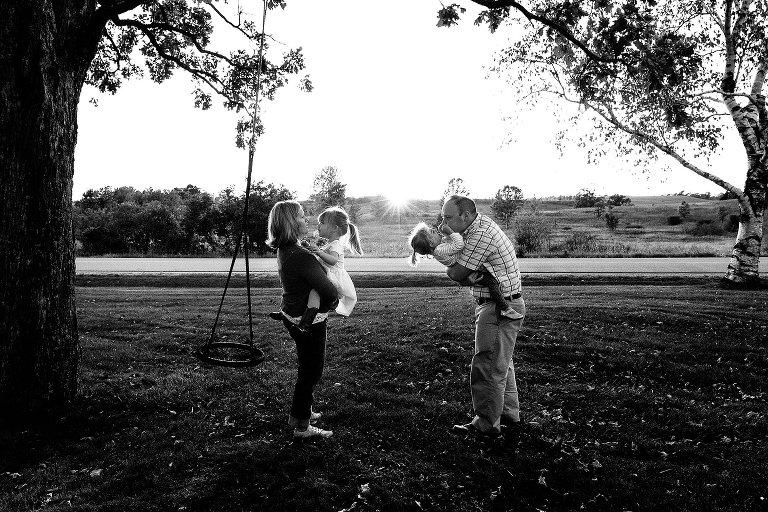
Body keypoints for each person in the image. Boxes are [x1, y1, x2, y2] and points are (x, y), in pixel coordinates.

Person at [440, 195, 526, 437]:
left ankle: (486, 425)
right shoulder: (477, 227)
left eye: (448, 218)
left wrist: (458, 272)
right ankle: (508, 415)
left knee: (487, 366)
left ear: (466, 215)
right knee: (501, 364)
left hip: (498, 307)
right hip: (502, 303)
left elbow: (456, 272)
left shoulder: (480, 235)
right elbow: (462, 269)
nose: (443, 224)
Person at [266, 200, 340, 439]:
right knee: (311, 372)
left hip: (291, 314)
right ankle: (302, 426)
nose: (305, 219)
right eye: (300, 216)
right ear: (290, 222)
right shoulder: (300, 255)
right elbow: (328, 291)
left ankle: (303, 410)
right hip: (308, 322)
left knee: (306, 367)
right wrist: (333, 302)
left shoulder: (287, 249)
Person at [408, 221, 523, 320]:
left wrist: (444, 231)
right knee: (491, 282)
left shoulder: (438, 249)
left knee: (492, 280)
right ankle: (505, 308)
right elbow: (459, 244)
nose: (436, 231)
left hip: (466, 268)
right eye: (432, 232)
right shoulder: (439, 250)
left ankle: (503, 305)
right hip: (469, 270)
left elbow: (449, 241)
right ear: (431, 243)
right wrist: (450, 231)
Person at [297, 206, 363, 331]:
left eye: (322, 223)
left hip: (333, 277)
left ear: (334, 228)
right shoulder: (330, 244)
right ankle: (289, 311)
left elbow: (333, 260)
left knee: (314, 292)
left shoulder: (336, 244)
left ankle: (305, 323)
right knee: (306, 288)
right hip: (326, 274)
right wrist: (311, 248)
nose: (318, 226)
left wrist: (319, 252)